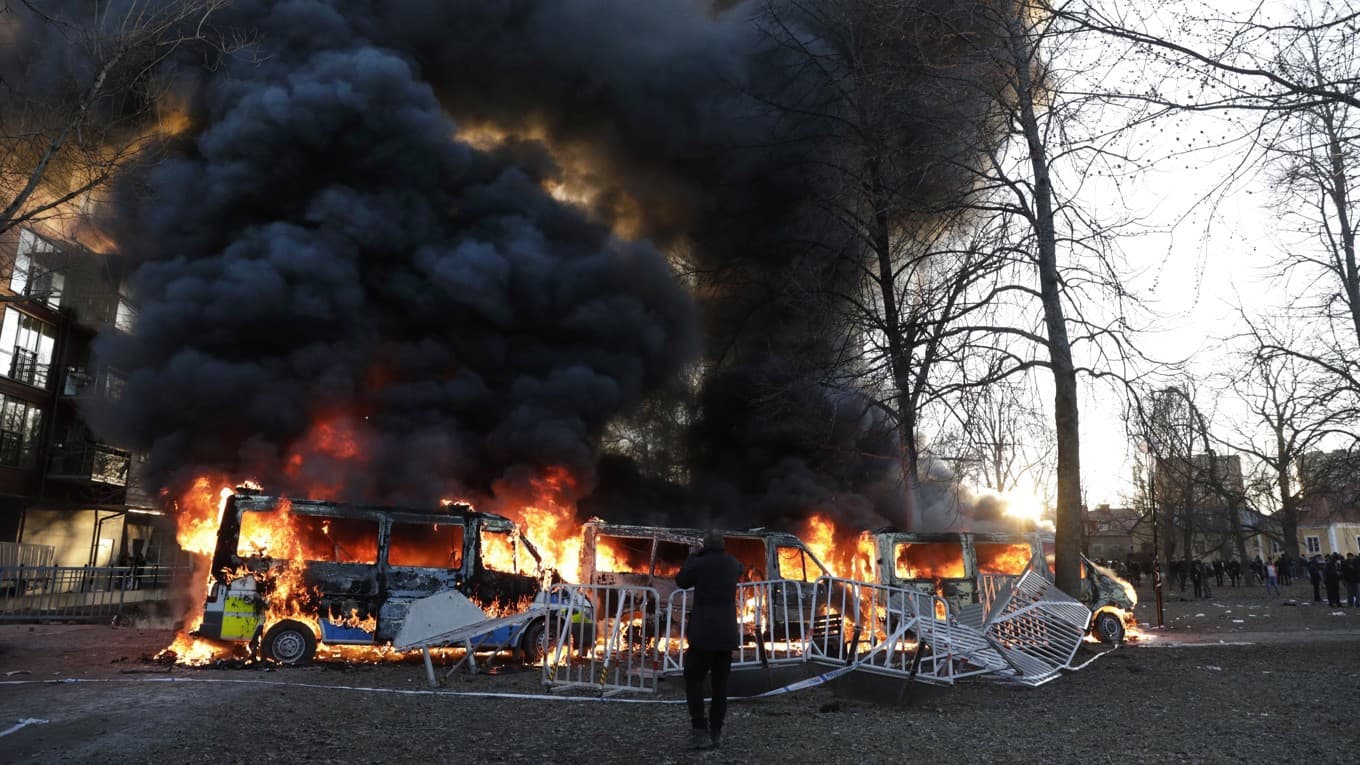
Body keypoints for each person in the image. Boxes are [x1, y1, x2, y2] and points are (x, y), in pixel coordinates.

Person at [676, 529, 741, 750]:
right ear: (723, 544)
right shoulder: (733, 564)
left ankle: (699, 729)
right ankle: (716, 732)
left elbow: (682, 581)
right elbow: (738, 570)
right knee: (720, 686)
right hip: (726, 635)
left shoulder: (699, 563)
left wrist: (693, 556)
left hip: (703, 634)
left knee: (693, 680)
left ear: (704, 545)